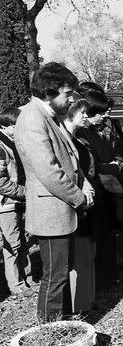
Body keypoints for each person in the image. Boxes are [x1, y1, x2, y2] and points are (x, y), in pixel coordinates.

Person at [14, 62, 94, 322]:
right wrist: (79, 198)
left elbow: (69, 156)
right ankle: (48, 333)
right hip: (51, 213)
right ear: (49, 92)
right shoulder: (32, 119)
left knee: (60, 274)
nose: (72, 99)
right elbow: (49, 171)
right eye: (67, 93)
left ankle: (59, 322)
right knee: (55, 277)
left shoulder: (49, 116)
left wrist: (83, 181)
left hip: (61, 210)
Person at [77, 90, 123, 289]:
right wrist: (110, 166)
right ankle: (100, 279)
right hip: (96, 190)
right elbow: (89, 166)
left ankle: (110, 273)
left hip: (109, 191)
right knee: (98, 237)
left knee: (109, 234)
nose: (103, 117)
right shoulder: (82, 134)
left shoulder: (101, 129)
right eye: (99, 113)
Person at [62, 98, 96, 313]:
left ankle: (86, 300)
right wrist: (81, 194)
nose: (86, 116)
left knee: (86, 255)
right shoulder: (64, 140)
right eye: (82, 112)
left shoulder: (79, 138)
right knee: (76, 260)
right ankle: (76, 306)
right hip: (74, 205)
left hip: (87, 204)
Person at [0, 108, 33, 296]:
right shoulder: (1, 147)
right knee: (12, 244)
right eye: (16, 125)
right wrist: (25, 192)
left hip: (17, 200)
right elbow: (1, 182)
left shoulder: (13, 143)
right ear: (5, 126)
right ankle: (17, 285)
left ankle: (28, 278)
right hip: (6, 204)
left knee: (23, 241)